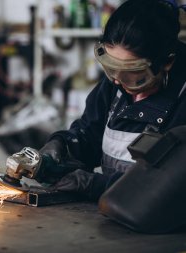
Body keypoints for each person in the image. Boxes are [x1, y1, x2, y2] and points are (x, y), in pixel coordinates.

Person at [21, 0, 186, 200]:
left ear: (167, 62)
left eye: (130, 72)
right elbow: (89, 135)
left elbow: (170, 188)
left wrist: (95, 185)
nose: (116, 80)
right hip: (110, 220)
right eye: (112, 68)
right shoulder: (115, 86)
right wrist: (62, 145)